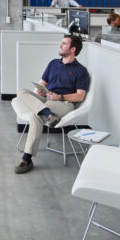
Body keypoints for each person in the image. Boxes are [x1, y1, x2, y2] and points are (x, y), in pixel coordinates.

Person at [12, 34, 90, 174]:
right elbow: (43, 84)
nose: (60, 46)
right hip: (47, 99)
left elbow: (80, 95)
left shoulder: (81, 71)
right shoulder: (53, 63)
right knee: (21, 92)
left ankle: (26, 158)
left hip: (64, 103)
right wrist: (39, 91)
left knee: (36, 116)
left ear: (73, 49)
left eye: (64, 44)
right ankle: (47, 114)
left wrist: (60, 96)